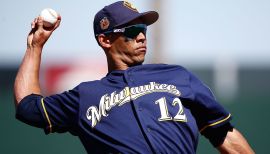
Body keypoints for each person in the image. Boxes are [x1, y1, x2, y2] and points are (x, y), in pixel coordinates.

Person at [14, 1, 254, 153]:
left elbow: (224, 135)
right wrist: (35, 47)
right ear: (105, 40)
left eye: (143, 29)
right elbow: (27, 107)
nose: (141, 37)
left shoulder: (177, 76)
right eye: (131, 31)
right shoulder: (85, 96)